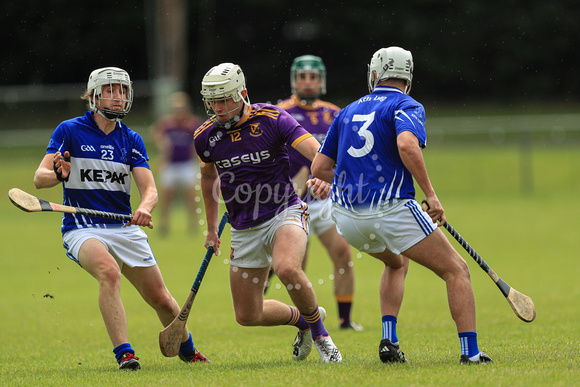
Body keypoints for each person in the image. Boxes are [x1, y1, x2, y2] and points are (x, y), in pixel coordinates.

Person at [310, 47, 493, 365]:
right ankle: (471, 354)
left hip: (348, 220)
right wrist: (431, 195)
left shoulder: (347, 111)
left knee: (396, 262)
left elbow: (319, 169)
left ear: (375, 74)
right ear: (408, 77)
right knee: (457, 271)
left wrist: (348, 182)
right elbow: (407, 144)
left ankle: (389, 341)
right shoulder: (406, 104)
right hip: (391, 211)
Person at [33, 67, 208, 370]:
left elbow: (150, 188)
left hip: (123, 227)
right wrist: (58, 174)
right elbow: (39, 179)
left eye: (123, 91)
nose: (119, 98)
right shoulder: (69, 130)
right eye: (111, 91)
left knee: (163, 300)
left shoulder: (131, 139)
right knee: (109, 272)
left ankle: (187, 349)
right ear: (94, 95)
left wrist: (146, 208)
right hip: (82, 227)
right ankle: (125, 353)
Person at [194, 62, 342, 363]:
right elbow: (208, 178)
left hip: (284, 211)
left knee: (286, 268)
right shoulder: (205, 136)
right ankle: (305, 319)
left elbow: (316, 151)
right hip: (243, 226)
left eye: (225, 99)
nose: (219, 108)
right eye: (213, 101)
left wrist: (324, 176)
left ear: (243, 94)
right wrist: (211, 229)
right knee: (248, 314)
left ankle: (321, 335)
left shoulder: (273, 118)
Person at [275, 55, 362, 331]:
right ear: (294, 80)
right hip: (291, 203)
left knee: (343, 256)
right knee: (298, 267)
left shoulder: (335, 114)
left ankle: (345, 321)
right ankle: (306, 323)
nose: (308, 82)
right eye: (302, 77)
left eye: (313, 77)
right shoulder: (281, 112)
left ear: (321, 80)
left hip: (324, 202)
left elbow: (346, 156)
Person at [150, 91, 205, 236]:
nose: (178, 112)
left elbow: (200, 138)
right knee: (165, 195)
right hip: (170, 165)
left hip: (187, 164)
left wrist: (195, 151)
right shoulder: (168, 124)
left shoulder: (193, 123)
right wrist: (162, 146)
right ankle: (163, 224)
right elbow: (155, 131)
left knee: (191, 195)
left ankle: (193, 224)